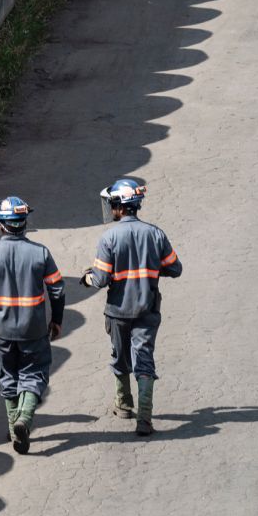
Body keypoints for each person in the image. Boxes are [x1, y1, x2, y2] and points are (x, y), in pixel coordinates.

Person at [80, 179, 183, 436]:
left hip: (118, 311)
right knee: (144, 361)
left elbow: (100, 279)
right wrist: (149, 269)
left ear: (119, 207)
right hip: (147, 309)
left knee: (120, 357)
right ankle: (144, 419)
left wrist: (86, 278)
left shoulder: (109, 237)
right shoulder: (156, 234)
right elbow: (175, 268)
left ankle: (124, 405)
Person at [0, 196, 64, 455]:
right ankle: (24, 419)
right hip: (34, 328)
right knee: (35, 373)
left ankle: (13, 429)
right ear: (24, 223)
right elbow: (57, 291)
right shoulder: (41, 252)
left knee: (8, 377)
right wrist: (57, 320)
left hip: (2, 329)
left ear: (1, 225)